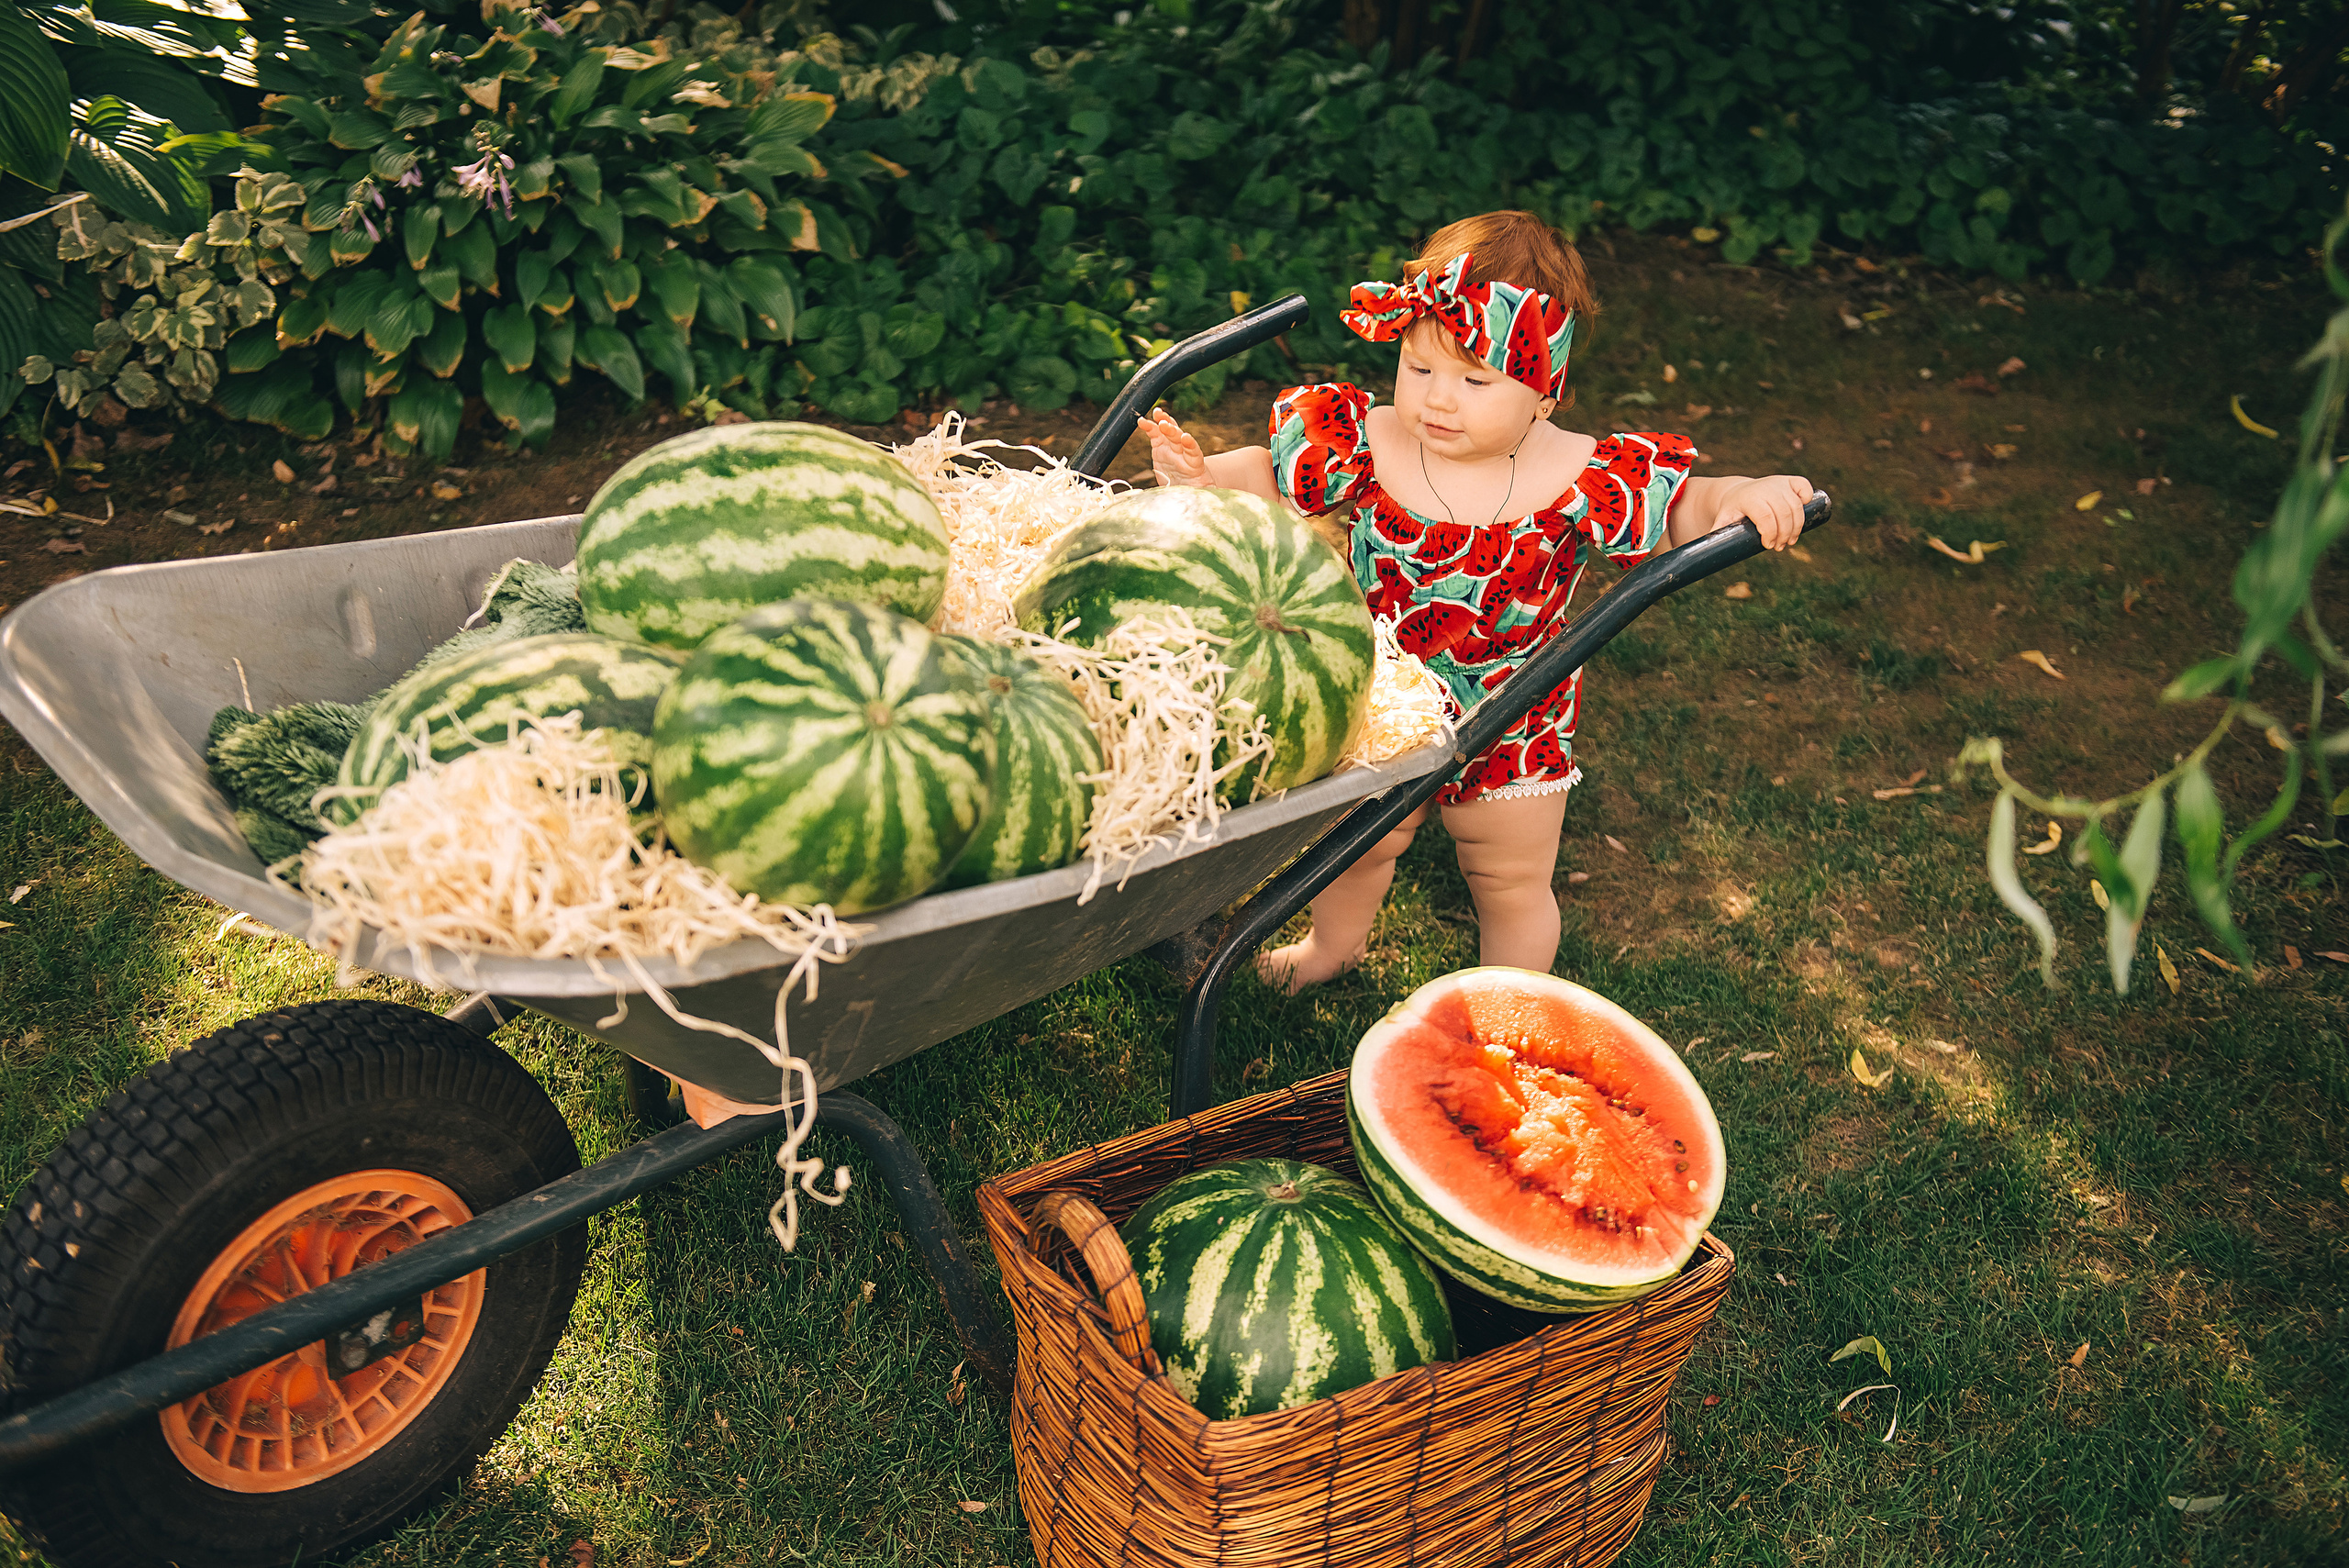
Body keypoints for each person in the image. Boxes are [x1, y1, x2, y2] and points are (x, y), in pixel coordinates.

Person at [1138, 210, 1813, 992]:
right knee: (1356, 846)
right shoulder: (1372, 437)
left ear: (1543, 393)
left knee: (1509, 876)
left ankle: (1506, 1005)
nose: (1438, 401)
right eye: (1421, 369)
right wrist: (1204, 474)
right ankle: (1332, 947)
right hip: (1385, 698)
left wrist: (1745, 494)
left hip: (1517, 718)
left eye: (1475, 380)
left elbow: (1684, 507)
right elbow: (1270, 471)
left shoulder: (1578, 472)